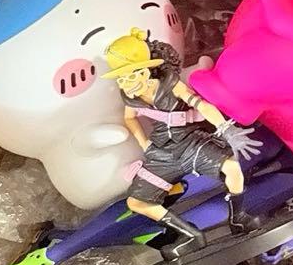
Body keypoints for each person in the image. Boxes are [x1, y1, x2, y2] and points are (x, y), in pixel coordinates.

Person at [103, 30, 261, 252]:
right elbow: (129, 118)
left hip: (190, 143)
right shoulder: (131, 97)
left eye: (130, 76)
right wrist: (144, 144)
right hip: (161, 153)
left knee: (233, 168)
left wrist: (227, 129)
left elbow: (201, 105)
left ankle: (238, 218)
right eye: (120, 79)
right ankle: (190, 235)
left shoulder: (171, 84)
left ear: (145, 71)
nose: (126, 85)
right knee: (136, 202)